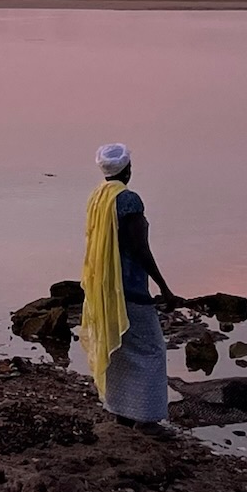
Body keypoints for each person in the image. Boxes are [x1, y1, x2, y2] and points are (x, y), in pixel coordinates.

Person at [81, 142, 176, 431]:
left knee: (119, 347)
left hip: (103, 286)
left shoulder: (97, 197)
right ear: (127, 170)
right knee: (152, 350)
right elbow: (139, 248)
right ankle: (146, 420)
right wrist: (164, 287)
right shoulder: (128, 200)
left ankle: (121, 410)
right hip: (129, 287)